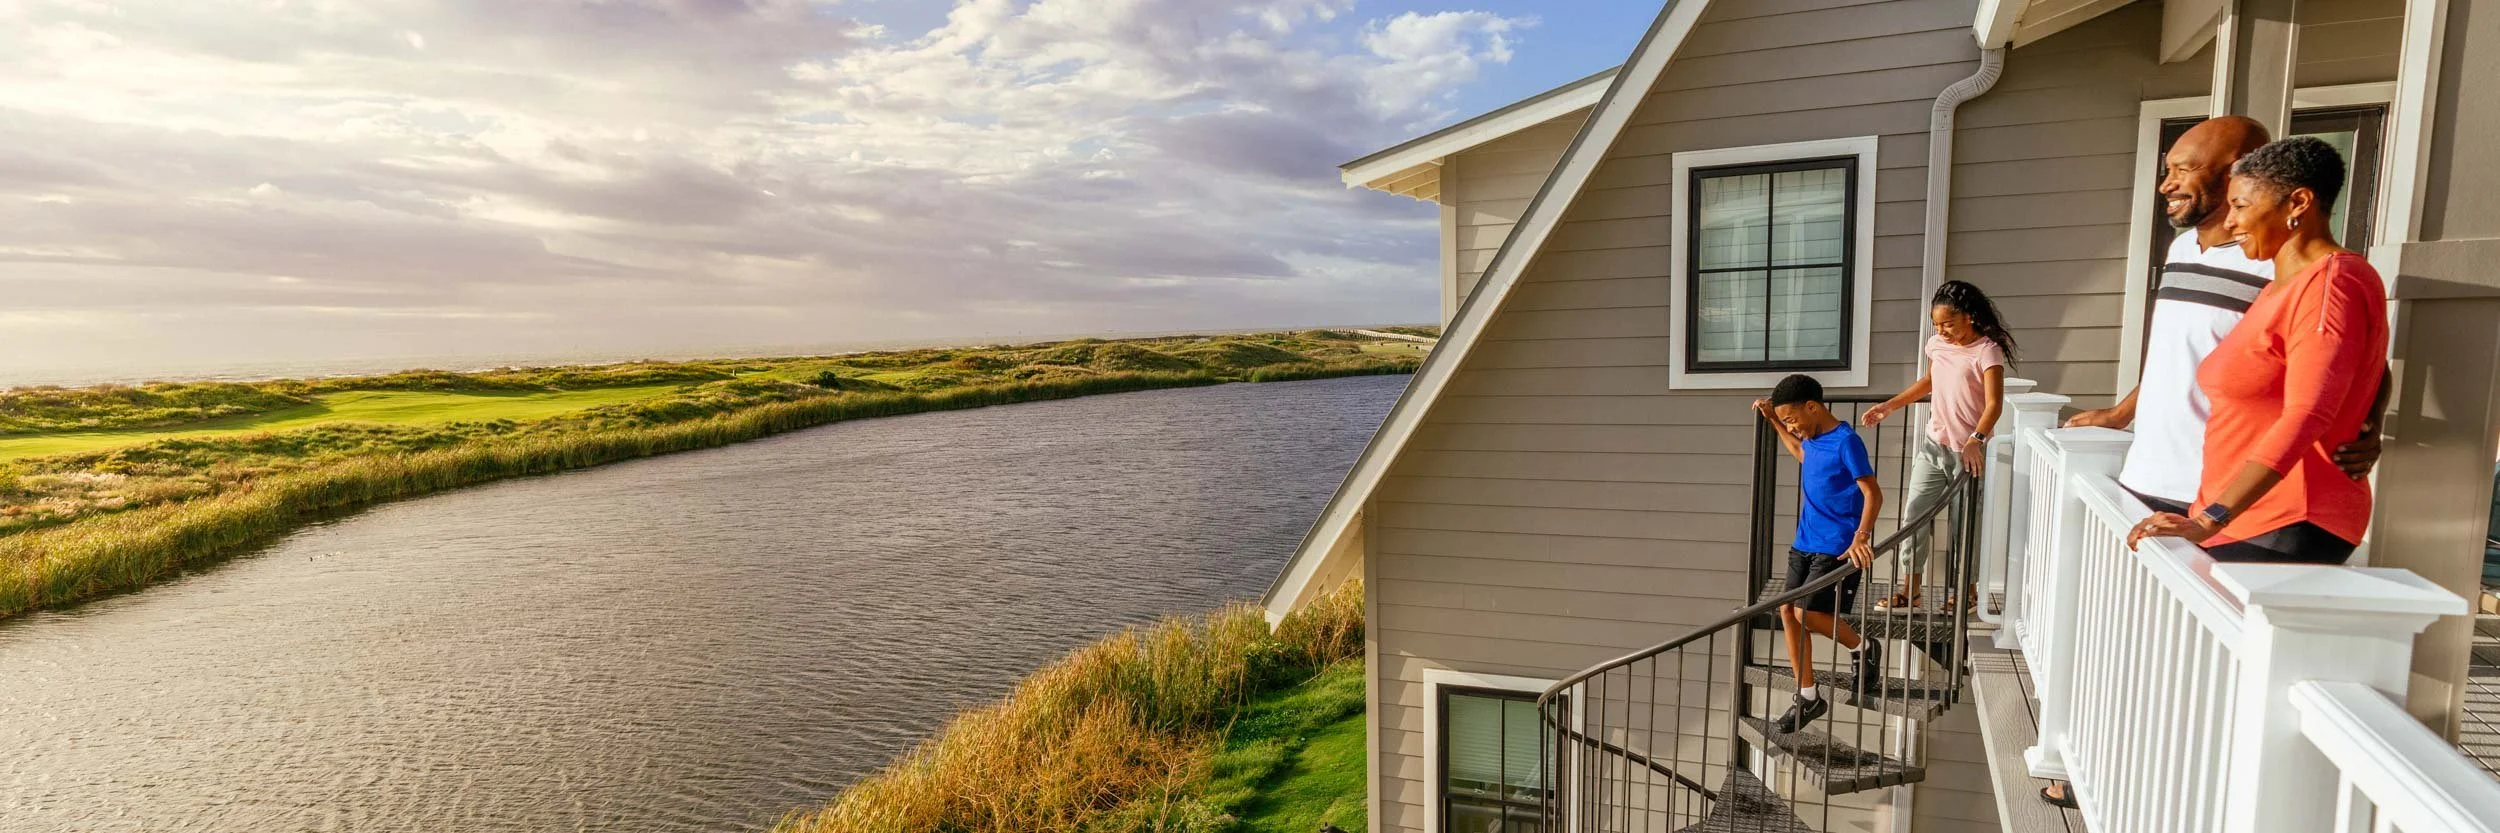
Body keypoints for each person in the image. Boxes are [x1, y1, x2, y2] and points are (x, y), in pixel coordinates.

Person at [2127, 136, 2388, 563]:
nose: (2229, 222)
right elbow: (2351, 366)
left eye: (2242, 206)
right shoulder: (2280, 286)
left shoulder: (2330, 285)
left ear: (2298, 203)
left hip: (2285, 520)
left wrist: (2211, 518)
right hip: (2246, 520)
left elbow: (2308, 413)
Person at [1862, 280, 2016, 611]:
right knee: (1913, 515)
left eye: (1948, 323)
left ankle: (1965, 594)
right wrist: (1889, 406)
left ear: (1969, 317)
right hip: (1934, 447)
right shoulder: (1936, 345)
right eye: (1937, 324)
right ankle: (1910, 592)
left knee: (1964, 525)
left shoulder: (1987, 351)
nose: (1942, 330)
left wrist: (1977, 439)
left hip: (1968, 454)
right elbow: (1928, 383)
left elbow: (1994, 405)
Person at [1753, 375, 1885, 734]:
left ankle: (1862, 645)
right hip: (1804, 542)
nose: (1792, 427)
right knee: (1787, 611)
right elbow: (1800, 453)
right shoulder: (1809, 440)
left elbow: (1873, 494)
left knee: (1805, 612)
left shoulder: (1846, 442)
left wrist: (1861, 537)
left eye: (1793, 419)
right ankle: (1808, 695)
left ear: (1812, 407)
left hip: (1838, 546)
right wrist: (1775, 422)